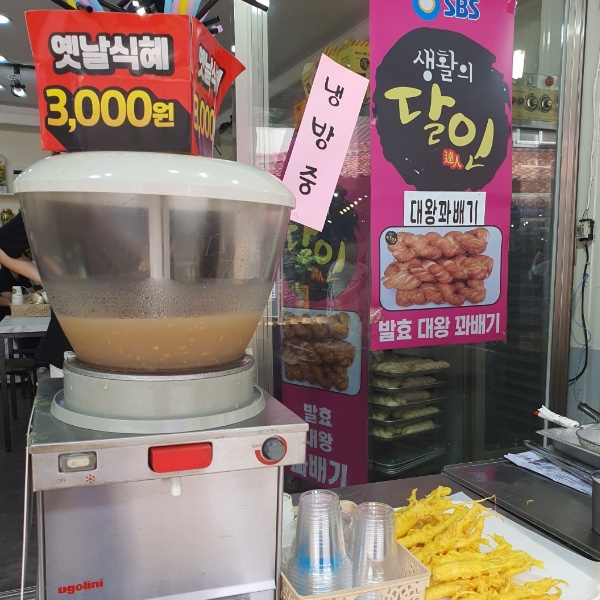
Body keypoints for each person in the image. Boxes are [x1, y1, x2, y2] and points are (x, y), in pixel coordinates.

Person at [0, 212, 72, 370]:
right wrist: (49, 280)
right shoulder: (51, 203)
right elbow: (3, 243)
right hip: (70, 343)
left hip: (126, 336)